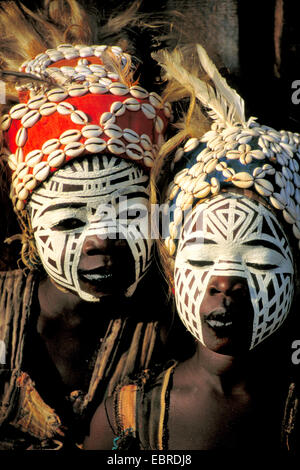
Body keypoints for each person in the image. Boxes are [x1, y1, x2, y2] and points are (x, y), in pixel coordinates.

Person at [83, 44, 300, 453]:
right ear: (171, 269)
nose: (225, 283)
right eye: (201, 258)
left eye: (258, 260)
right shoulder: (127, 417)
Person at [0, 1, 170, 450]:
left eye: (128, 214)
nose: (101, 240)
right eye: (71, 219)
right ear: (30, 223)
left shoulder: (173, 330)